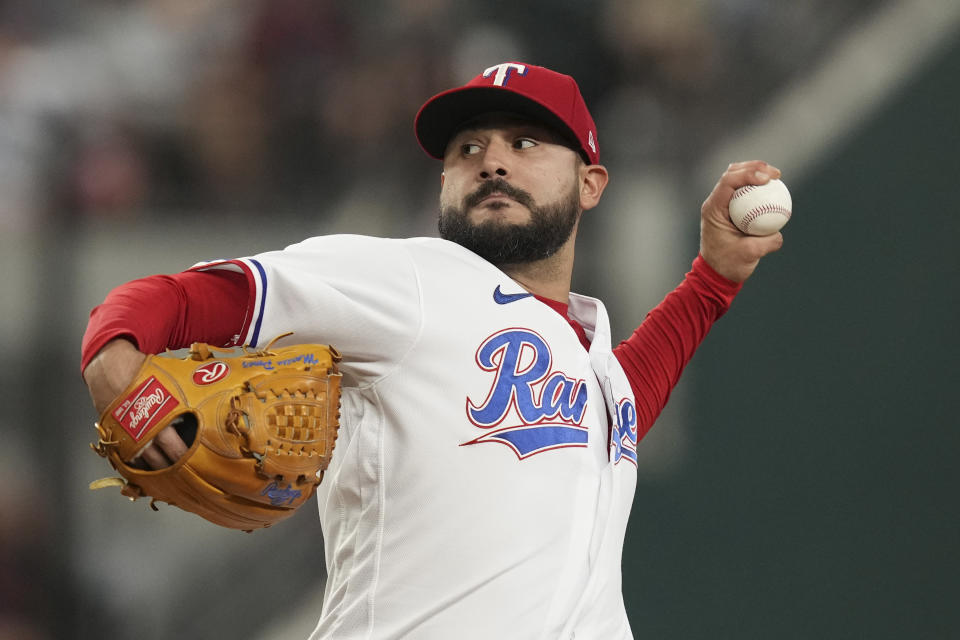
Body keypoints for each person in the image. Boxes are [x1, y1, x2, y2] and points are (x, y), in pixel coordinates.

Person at [82, 62, 784, 639]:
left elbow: (620, 403)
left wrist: (714, 279)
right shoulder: (408, 281)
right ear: (443, 183)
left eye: (526, 143)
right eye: (468, 149)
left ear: (591, 183)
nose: (493, 162)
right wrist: (117, 372)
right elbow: (182, 297)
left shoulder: (585, 351)